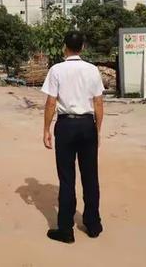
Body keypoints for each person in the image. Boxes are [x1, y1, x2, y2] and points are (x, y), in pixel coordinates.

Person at [41, 30, 104, 243]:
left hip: (66, 126)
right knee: (90, 176)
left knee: (67, 178)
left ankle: (66, 229)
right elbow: (98, 103)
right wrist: (97, 130)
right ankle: (93, 224)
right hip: (87, 125)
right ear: (82, 47)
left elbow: (51, 102)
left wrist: (46, 129)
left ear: (64, 47)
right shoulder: (92, 70)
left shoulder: (56, 70)